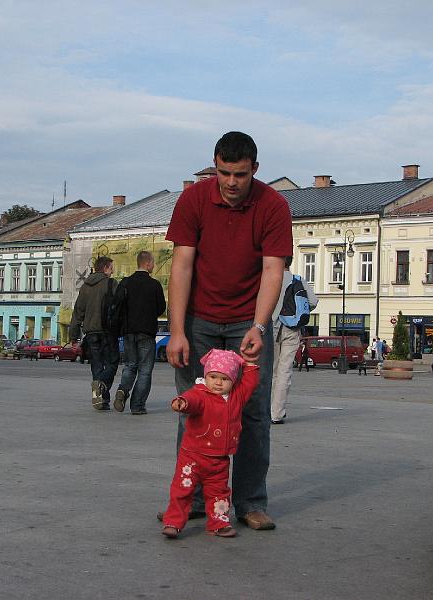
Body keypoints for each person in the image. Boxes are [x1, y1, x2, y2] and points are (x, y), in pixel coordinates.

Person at [164, 131, 293, 531]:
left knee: (253, 412)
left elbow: (274, 270)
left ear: (255, 169)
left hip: (245, 320)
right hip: (199, 320)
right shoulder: (193, 200)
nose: (231, 183)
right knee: (195, 407)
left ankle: (250, 502)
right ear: (215, 165)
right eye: (224, 173)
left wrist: (259, 325)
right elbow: (182, 266)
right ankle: (196, 500)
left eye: (239, 174)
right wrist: (177, 330)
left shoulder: (273, 205)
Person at [161, 349, 259, 539]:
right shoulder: (201, 392)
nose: (218, 382)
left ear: (233, 380)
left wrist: (250, 364)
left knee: (219, 493)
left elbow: (249, 383)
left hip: (219, 459)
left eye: (225, 378)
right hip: (192, 457)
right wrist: (182, 402)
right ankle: (173, 521)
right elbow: (192, 400)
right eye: (213, 376)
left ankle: (219, 522)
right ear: (206, 376)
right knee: (182, 490)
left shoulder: (236, 396)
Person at [113, 250, 166, 415]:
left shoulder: (125, 283)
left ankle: (123, 389)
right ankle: (137, 406)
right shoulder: (154, 285)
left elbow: (117, 304)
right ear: (148, 263)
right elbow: (161, 308)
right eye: (153, 263)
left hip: (128, 331)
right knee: (144, 369)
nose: (153, 265)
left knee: (130, 365)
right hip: (147, 331)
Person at [69, 256, 120, 410]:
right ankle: (102, 385)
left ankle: (102, 400)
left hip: (90, 333)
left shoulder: (85, 287)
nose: (112, 271)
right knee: (113, 362)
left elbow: (77, 312)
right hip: (107, 331)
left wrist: (73, 337)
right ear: (105, 268)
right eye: (111, 268)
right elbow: (119, 307)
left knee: (96, 366)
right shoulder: (111, 284)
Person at [270, 256, 317, 424]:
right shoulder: (298, 279)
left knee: (272, 370)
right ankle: (277, 413)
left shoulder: (270, 278)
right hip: (292, 328)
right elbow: (313, 301)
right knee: (285, 371)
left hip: (272, 327)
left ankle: (268, 409)